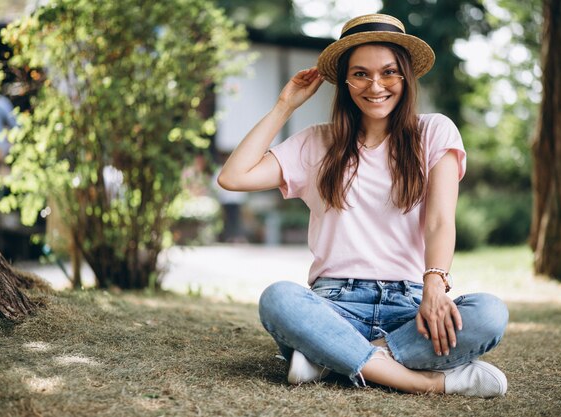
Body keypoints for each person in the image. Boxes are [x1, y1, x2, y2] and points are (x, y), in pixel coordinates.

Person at [217, 13, 508, 397]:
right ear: (345, 81)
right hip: (334, 305)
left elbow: (439, 220)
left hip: (410, 306)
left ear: (405, 76)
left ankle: (328, 358)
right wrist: (284, 106)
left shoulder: (435, 132)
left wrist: (435, 285)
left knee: (489, 313)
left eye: (388, 72)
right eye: (360, 74)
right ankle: (425, 382)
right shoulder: (317, 142)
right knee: (279, 299)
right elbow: (233, 177)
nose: (375, 85)